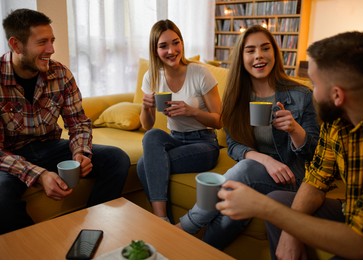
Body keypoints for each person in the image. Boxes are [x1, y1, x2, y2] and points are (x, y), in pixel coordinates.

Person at [216, 31, 363, 259]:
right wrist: (290, 232)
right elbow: (316, 179)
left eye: (315, 84)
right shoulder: (337, 119)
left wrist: (263, 207)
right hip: (353, 209)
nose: (312, 94)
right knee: (279, 199)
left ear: (337, 94)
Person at [178, 25, 319, 249]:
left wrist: (295, 130)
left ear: (275, 53)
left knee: (243, 172)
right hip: (258, 172)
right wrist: (264, 159)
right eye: (250, 50)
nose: (259, 55)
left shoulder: (301, 95)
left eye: (265, 48)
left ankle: (184, 228)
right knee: (237, 201)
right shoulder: (237, 94)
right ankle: (201, 254)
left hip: (292, 176)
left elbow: (316, 156)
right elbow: (233, 143)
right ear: (242, 57)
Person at [0, 9, 130, 234]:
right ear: (16, 45)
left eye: (52, 41)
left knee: (116, 159)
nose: (51, 49)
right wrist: (39, 175)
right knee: (1, 192)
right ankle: (32, 251)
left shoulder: (60, 74)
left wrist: (81, 152)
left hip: (50, 148)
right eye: (42, 42)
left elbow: (78, 123)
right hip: (10, 156)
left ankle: (91, 232)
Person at [136, 19, 222, 222]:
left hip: (204, 144)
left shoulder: (200, 73)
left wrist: (191, 111)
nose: (171, 50)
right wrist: (145, 106)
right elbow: (146, 125)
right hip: (175, 140)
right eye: (163, 46)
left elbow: (218, 121)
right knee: (152, 135)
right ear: (155, 49)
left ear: (182, 43)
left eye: (176, 42)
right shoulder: (152, 77)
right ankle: (165, 220)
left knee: (143, 166)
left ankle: (161, 222)